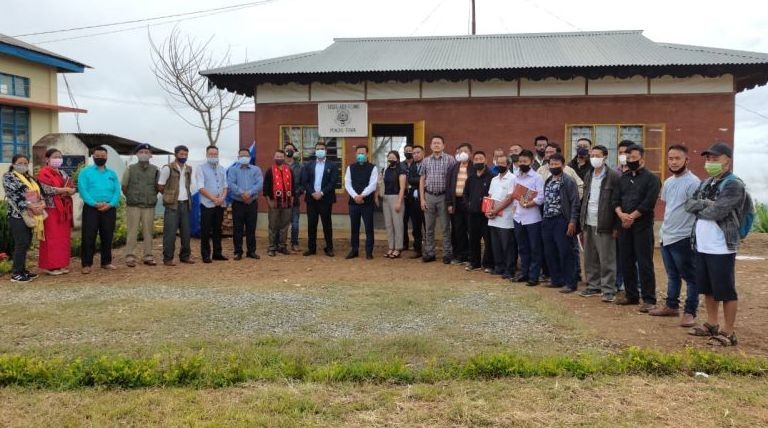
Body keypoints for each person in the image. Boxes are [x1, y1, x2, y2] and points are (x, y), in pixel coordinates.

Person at [685, 143, 749, 347]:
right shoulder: (706, 183)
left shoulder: (733, 184)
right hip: (702, 244)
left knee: (725, 290)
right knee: (708, 288)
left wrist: (702, 206)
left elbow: (718, 212)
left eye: (715, 158)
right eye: (708, 159)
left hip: (722, 246)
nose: (710, 162)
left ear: (726, 160)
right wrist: (706, 205)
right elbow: (688, 204)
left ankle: (728, 332)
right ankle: (712, 324)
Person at [649, 145, 700, 326]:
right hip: (667, 235)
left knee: (691, 277)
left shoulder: (694, 182)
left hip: (684, 237)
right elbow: (669, 206)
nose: (673, 162)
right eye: (670, 158)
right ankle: (671, 306)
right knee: (672, 275)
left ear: (686, 160)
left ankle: (690, 312)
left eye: (677, 158)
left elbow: (696, 210)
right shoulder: (669, 182)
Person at [613, 145, 661, 311]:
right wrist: (621, 215)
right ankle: (631, 295)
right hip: (624, 225)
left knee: (644, 262)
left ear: (642, 159)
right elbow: (615, 200)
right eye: (628, 158)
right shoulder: (623, 178)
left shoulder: (652, 179)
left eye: (634, 157)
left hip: (642, 226)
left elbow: (648, 203)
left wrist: (631, 216)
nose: (631, 161)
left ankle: (649, 298)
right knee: (626, 261)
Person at [578, 145, 621, 302]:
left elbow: (617, 201)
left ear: (605, 157)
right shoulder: (589, 175)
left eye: (598, 155)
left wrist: (617, 226)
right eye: (592, 155)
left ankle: (608, 289)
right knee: (590, 256)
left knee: (607, 258)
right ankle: (593, 285)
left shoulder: (613, 176)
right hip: (588, 221)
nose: (594, 158)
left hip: (605, 222)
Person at [540, 154, 581, 293]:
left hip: (562, 220)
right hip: (547, 219)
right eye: (551, 164)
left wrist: (572, 221)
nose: (554, 166)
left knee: (566, 252)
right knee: (550, 252)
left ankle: (570, 283)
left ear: (563, 165)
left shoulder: (568, 181)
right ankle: (556, 280)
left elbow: (575, 203)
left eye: (557, 164)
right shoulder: (548, 180)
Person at [78, 146, 121, 274]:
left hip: (109, 208)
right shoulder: (85, 172)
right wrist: (94, 203)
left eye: (103, 156)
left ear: (107, 157)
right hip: (91, 208)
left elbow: (117, 191)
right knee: (88, 236)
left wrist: (111, 204)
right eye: (98, 156)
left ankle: (106, 262)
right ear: (93, 156)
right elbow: (83, 190)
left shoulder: (112, 173)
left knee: (107, 235)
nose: (100, 158)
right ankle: (86, 264)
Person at [3, 154, 44, 282]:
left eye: (25, 163)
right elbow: (14, 196)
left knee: (26, 243)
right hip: (18, 215)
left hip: (33, 212)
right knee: (21, 243)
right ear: (13, 164)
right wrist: (30, 206)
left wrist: (41, 203)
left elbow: (37, 193)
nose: (23, 165)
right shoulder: (9, 177)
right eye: (20, 163)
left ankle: (22, 270)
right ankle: (16, 274)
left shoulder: (29, 177)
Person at [36, 148, 76, 275]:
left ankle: (60, 264)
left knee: (62, 238)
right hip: (51, 209)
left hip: (64, 210)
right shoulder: (43, 173)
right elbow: (47, 190)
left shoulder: (63, 173)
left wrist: (71, 190)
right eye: (55, 156)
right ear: (47, 159)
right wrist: (65, 190)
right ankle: (50, 266)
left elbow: (71, 186)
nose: (58, 159)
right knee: (51, 238)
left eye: (59, 156)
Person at [419, 135, 456, 263]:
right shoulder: (426, 161)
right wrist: (422, 199)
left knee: (446, 227)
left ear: (443, 145)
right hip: (429, 196)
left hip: (444, 197)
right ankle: (430, 252)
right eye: (434, 143)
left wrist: (451, 200)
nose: (436, 145)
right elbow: (422, 179)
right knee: (428, 227)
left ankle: (447, 253)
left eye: (438, 143)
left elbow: (453, 180)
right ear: (430, 146)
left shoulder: (450, 160)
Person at [510, 150, 545, 286]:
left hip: (533, 219)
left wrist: (530, 203)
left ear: (531, 162)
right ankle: (524, 273)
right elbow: (514, 195)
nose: (522, 164)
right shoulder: (515, 177)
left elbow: (541, 197)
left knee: (535, 248)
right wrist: (515, 209)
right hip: (518, 218)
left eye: (525, 161)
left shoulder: (537, 178)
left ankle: (534, 276)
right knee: (523, 248)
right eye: (520, 161)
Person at [121, 144, 159, 268]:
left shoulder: (155, 170)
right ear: (137, 154)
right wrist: (132, 197)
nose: (144, 154)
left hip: (149, 205)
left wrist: (150, 196)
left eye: (146, 152)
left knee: (148, 232)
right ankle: (130, 256)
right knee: (132, 232)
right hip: (134, 205)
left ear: (150, 155)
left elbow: (157, 187)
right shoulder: (130, 169)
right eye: (141, 152)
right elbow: (124, 187)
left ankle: (148, 256)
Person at [158, 145, 194, 266]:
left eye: (185, 155)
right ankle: (168, 258)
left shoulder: (189, 169)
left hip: (185, 203)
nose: (183, 156)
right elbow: (160, 186)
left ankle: (185, 256)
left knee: (186, 233)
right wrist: (169, 196)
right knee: (170, 233)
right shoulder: (168, 168)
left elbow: (188, 185)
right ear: (176, 154)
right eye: (181, 154)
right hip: (172, 205)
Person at [300, 142, 338, 257]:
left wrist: (321, 193)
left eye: (322, 149)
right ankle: (311, 248)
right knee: (311, 224)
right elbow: (304, 181)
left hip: (325, 199)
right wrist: (312, 193)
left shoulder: (333, 165)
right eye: (318, 149)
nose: (320, 150)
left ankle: (329, 248)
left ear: (326, 151)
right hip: (311, 199)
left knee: (327, 224)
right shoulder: (309, 165)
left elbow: (333, 182)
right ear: (315, 151)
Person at [228, 148, 263, 260]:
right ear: (238, 157)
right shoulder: (233, 170)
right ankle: (238, 252)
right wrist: (242, 193)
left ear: (249, 157)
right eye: (241, 155)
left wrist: (250, 193)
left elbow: (259, 183)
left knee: (251, 228)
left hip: (252, 202)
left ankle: (251, 251)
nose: (244, 157)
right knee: (237, 228)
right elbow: (231, 184)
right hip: (238, 203)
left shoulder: (256, 169)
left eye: (246, 155)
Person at [486, 154, 517, 279]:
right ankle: (499, 267)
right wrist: (489, 211)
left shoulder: (512, 178)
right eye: (498, 163)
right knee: (496, 244)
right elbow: (490, 197)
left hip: (506, 218)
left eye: (502, 163)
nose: (499, 166)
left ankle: (509, 269)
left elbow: (509, 198)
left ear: (508, 165)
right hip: (493, 218)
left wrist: (496, 210)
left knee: (507, 245)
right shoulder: (494, 179)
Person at [195, 145, 228, 263]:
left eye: (215, 154)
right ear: (207, 155)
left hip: (220, 204)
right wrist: (214, 199)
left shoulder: (222, 168)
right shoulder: (201, 168)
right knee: (205, 230)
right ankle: (205, 254)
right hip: (207, 204)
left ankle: (217, 253)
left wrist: (222, 198)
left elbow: (225, 186)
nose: (213, 156)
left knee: (218, 229)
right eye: (211, 154)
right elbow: (201, 187)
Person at [462, 151, 494, 271]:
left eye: (481, 159)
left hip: (486, 215)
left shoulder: (491, 177)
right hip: (472, 214)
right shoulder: (470, 178)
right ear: (473, 161)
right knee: (473, 239)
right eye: (476, 159)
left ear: (485, 161)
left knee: (488, 240)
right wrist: (468, 205)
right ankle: (474, 263)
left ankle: (488, 264)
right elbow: (465, 194)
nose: (478, 161)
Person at [345, 145, 378, 259]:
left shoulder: (373, 168)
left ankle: (369, 252)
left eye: (363, 153)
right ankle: (354, 250)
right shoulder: (350, 168)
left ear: (367, 154)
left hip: (367, 203)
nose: (360, 155)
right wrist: (355, 196)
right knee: (354, 228)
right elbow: (347, 184)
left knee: (369, 228)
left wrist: (362, 195)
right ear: (355, 154)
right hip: (353, 203)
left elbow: (373, 184)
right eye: (359, 153)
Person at [263, 150, 294, 257]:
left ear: (284, 158)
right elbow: (265, 188)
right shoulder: (269, 171)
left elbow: (293, 187)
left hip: (287, 203)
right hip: (274, 203)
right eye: (277, 156)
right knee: (273, 226)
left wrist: (292, 201)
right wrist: (269, 202)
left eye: (281, 156)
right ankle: (272, 247)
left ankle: (282, 246)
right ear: (274, 157)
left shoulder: (289, 170)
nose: (279, 158)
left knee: (284, 226)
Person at [446, 143, 473, 264]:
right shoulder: (453, 167)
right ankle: (459, 255)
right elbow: (449, 186)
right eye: (460, 151)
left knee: (470, 229)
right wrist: (449, 203)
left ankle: (470, 256)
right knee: (458, 230)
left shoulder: (474, 167)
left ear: (470, 153)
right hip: (456, 203)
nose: (462, 153)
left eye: (465, 151)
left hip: (468, 203)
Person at [382, 150, 407, 258]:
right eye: (389, 157)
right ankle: (391, 247)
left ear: (397, 158)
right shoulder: (386, 170)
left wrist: (399, 202)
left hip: (396, 197)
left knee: (397, 224)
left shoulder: (401, 170)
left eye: (393, 157)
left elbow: (402, 188)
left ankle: (398, 248)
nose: (391, 159)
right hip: (386, 198)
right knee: (389, 225)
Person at [404, 145, 425, 258]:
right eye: (414, 153)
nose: (416, 154)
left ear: (423, 153)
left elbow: (427, 179)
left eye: (418, 152)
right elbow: (410, 180)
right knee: (416, 226)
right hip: (413, 201)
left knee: (427, 226)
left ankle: (428, 249)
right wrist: (421, 179)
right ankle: (418, 250)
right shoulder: (411, 166)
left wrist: (417, 180)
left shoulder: (427, 164)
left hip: (425, 200)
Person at [284, 143, 304, 252]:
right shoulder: (279, 165)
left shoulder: (300, 166)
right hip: (281, 200)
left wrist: (296, 193)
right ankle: (281, 244)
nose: (289, 151)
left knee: (295, 224)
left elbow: (303, 183)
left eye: (291, 149)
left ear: (294, 151)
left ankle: (294, 243)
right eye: (287, 149)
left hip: (294, 200)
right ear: (284, 151)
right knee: (281, 224)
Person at [401, 144, 415, 251]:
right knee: (403, 221)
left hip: (415, 196)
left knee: (416, 221)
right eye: (406, 150)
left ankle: (417, 243)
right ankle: (405, 243)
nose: (408, 152)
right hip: (404, 196)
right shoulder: (400, 165)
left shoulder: (418, 164)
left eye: (410, 150)